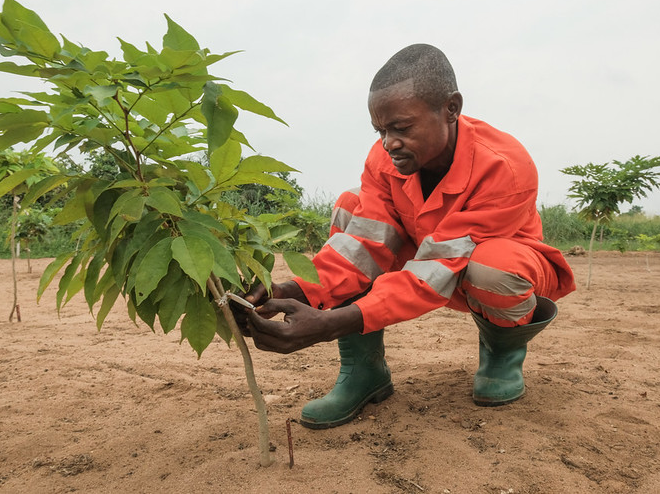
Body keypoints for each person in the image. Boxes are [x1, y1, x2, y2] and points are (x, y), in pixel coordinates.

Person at [237, 44, 576, 430]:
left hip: (493, 277)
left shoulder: (504, 166)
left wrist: (331, 324)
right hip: (427, 264)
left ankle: (502, 353)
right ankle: (364, 373)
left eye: (402, 128)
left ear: (451, 109)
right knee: (350, 207)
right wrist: (292, 291)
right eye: (381, 130)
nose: (388, 143)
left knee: (492, 266)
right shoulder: (384, 160)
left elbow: (438, 268)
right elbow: (361, 248)